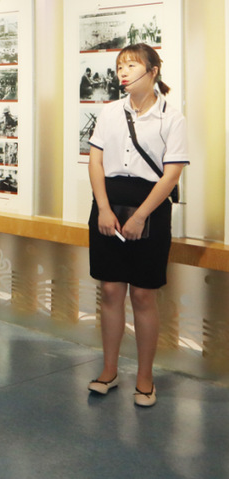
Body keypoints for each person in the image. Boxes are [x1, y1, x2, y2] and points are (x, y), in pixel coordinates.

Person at [86, 44, 187, 407]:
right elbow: (95, 162)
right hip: (108, 205)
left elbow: (171, 174)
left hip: (151, 207)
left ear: (153, 71)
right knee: (111, 290)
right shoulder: (110, 112)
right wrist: (103, 208)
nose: (123, 72)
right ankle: (109, 370)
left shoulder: (171, 117)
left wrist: (141, 215)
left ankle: (145, 378)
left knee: (143, 294)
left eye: (131, 65)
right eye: (120, 67)